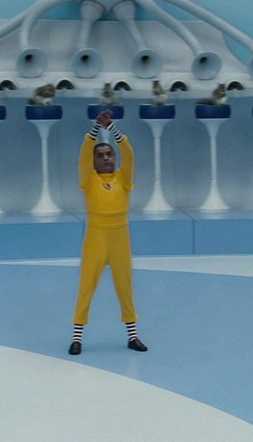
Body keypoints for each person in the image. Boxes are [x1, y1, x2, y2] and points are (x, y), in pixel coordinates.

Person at [69, 109, 147, 355]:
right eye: (100, 155)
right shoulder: (89, 180)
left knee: (125, 287)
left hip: (120, 238)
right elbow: (84, 154)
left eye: (109, 154)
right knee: (86, 286)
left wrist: (112, 129)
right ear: (93, 162)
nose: (105, 158)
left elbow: (129, 154)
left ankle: (132, 336)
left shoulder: (124, 178)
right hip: (96, 237)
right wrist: (95, 129)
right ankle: (77, 338)